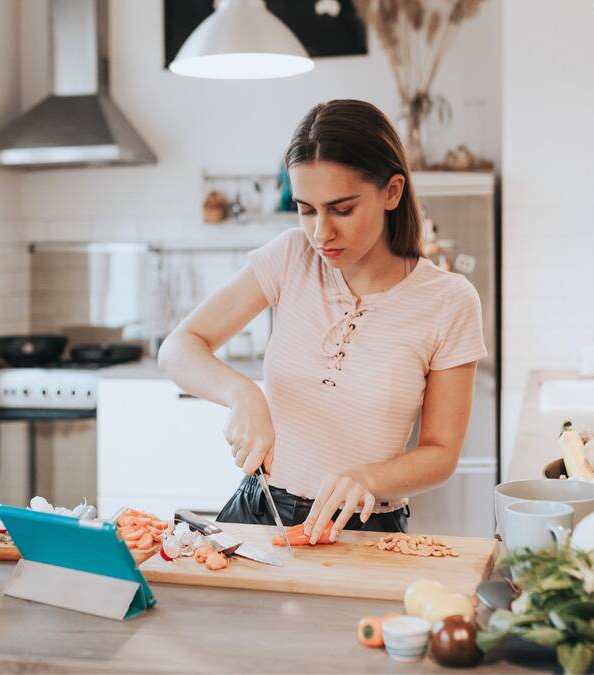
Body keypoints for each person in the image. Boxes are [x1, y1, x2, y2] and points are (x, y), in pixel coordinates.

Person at [157, 99, 486, 543]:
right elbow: (179, 347)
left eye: (342, 209)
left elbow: (441, 454)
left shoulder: (449, 301)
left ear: (391, 192)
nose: (320, 233)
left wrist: (368, 479)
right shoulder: (291, 257)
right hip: (258, 511)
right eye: (307, 209)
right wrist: (243, 394)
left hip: (364, 527)